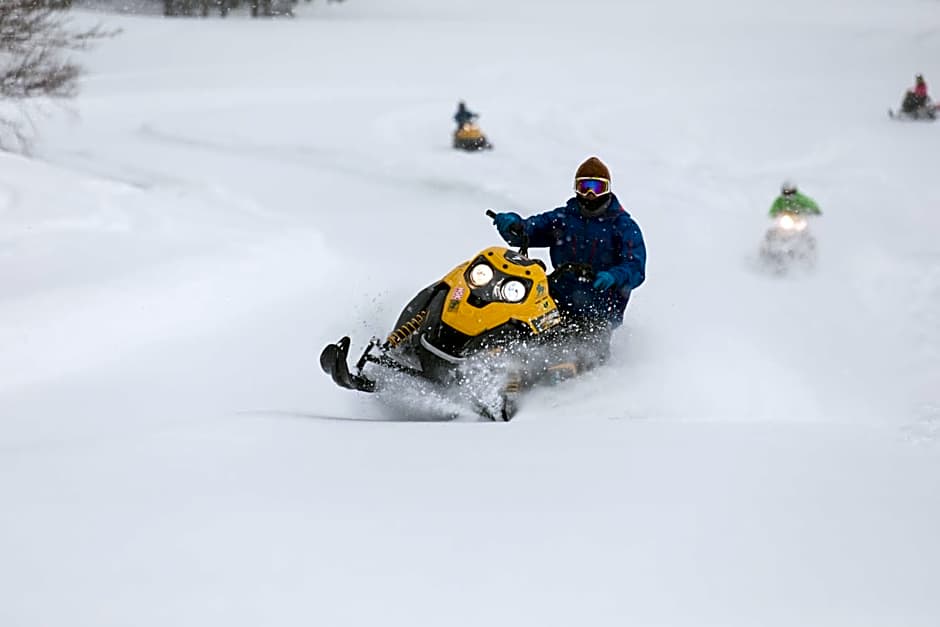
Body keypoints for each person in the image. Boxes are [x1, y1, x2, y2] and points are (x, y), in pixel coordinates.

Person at [490, 157, 646, 372]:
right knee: (525, 325)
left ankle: (571, 378)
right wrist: (513, 225)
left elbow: (635, 267)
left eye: (597, 187)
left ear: (607, 190)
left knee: (581, 347)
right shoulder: (563, 218)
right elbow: (529, 231)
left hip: (599, 307)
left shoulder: (623, 226)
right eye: (584, 187)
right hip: (557, 298)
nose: (590, 194)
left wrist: (614, 276)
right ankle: (509, 368)